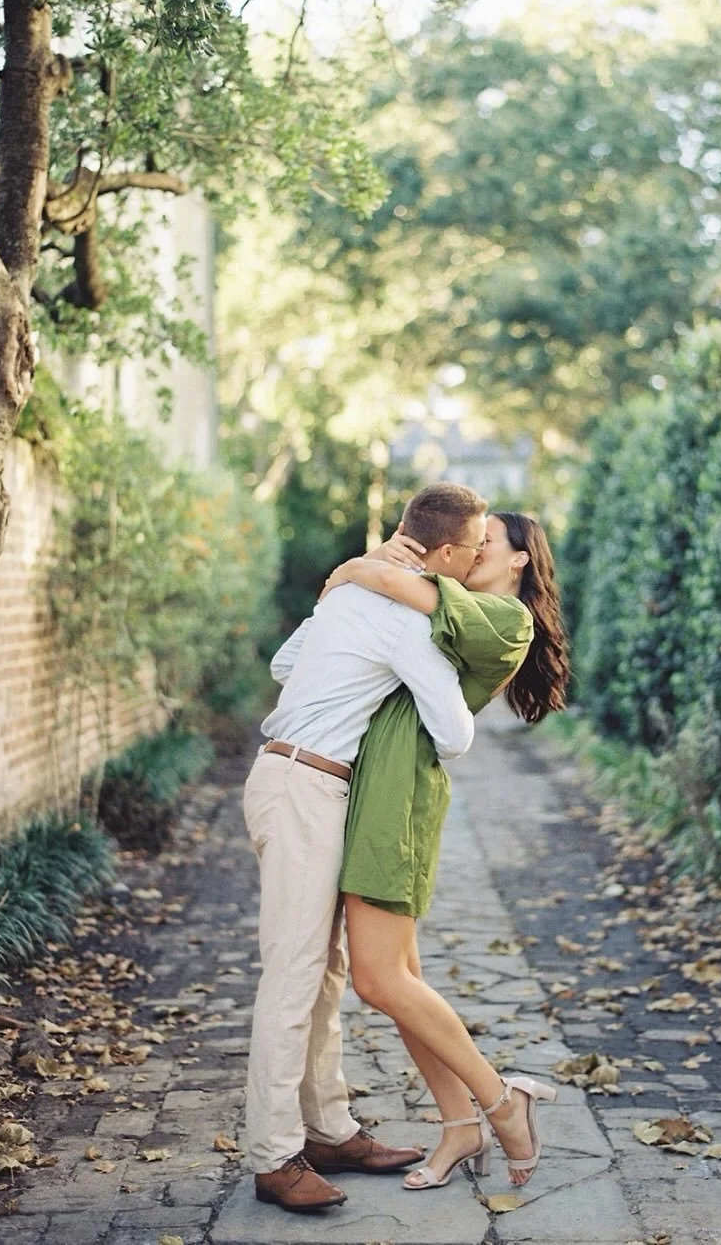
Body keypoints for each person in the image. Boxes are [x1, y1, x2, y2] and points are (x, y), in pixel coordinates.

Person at [243, 482, 489, 1213]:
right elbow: (457, 735)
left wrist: (346, 584)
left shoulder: (353, 593)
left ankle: (329, 1129)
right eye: (475, 550)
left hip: (298, 780)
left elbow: (286, 665)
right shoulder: (409, 623)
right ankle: (273, 1154)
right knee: (292, 975)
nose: (478, 562)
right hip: (304, 786)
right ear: (443, 551)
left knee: (325, 972)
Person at [320, 511, 571, 1190]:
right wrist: (364, 576)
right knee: (401, 981)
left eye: (490, 538)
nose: (474, 544)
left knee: (378, 979)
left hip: (396, 798)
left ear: (522, 559)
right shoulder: (464, 607)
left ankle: (500, 1103)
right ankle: (459, 1127)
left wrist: (354, 567)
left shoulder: (504, 620)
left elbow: (388, 585)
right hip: (377, 784)